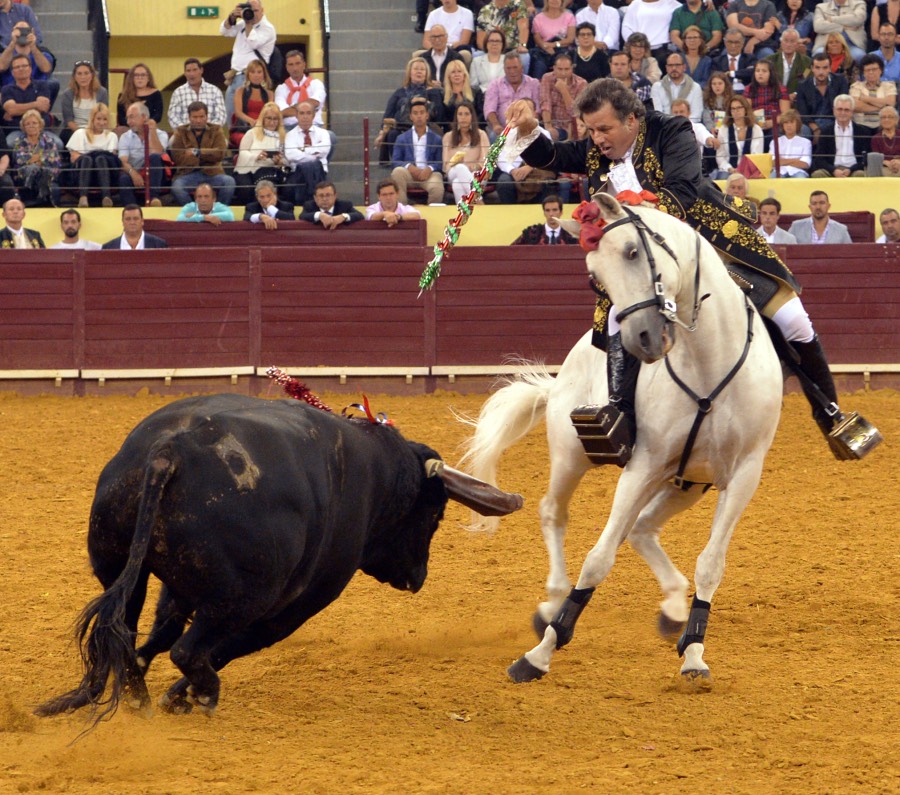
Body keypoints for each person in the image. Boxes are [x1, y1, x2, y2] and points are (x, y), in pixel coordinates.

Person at [505, 78, 858, 461]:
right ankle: (621, 415)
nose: (597, 139)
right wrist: (528, 129)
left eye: (604, 128)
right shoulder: (597, 149)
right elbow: (553, 156)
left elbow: (683, 193)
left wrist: (633, 210)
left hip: (709, 242)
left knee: (793, 320)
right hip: (646, 261)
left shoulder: (672, 131)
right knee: (616, 321)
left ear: (632, 120)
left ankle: (830, 414)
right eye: (591, 130)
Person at [220, 0, 277, 127]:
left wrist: (248, 24)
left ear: (262, 11)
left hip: (251, 79)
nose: (253, 14)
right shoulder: (243, 24)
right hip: (234, 77)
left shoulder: (268, 28)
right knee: (231, 118)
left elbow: (253, 42)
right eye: (250, 10)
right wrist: (232, 17)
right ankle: (235, 143)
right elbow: (224, 31)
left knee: (246, 118)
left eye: (256, 11)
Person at [375, 58, 442, 164]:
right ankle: (398, 165)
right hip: (402, 128)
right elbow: (388, 114)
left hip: (426, 127)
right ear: (409, 72)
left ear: (427, 74)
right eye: (416, 69)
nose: (419, 71)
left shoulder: (433, 92)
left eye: (422, 69)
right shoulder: (400, 92)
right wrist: (381, 133)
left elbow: (440, 115)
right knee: (392, 134)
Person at [169, 101, 236, 206]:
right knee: (177, 187)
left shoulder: (216, 130)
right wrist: (209, 155)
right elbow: (178, 158)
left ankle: (219, 210)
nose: (198, 120)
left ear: (206, 116)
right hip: (188, 174)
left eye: (201, 117)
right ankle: (195, 212)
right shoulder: (180, 132)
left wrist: (197, 152)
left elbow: (220, 153)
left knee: (229, 182)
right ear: (189, 117)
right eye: (195, 117)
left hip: (212, 173)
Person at [390, 95, 444, 204]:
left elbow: (440, 162)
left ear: (427, 115)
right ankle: (403, 211)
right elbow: (395, 161)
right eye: (415, 113)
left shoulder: (437, 138)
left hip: (429, 174)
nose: (419, 116)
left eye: (422, 113)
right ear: (410, 116)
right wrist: (409, 167)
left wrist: (429, 168)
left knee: (437, 187)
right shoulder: (401, 138)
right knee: (397, 172)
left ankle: (433, 216)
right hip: (409, 174)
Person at [233, 101, 288, 205]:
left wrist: (279, 162)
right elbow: (242, 152)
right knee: (246, 187)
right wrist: (256, 156)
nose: (272, 122)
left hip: (270, 170)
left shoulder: (282, 137)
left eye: (275, 119)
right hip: (248, 170)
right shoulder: (252, 133)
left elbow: (286, 158)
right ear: (262, 119)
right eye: (269, 118)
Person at [67, 102, 118, 207]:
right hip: (84, 172)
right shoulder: (80, 133)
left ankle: (106, 197)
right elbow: (74, 157)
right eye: (98, 119)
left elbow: (112, 157)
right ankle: (83, 197)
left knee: (101, 158)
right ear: (92, 119)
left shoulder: (112, 136)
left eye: (105, 119)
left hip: (104, 172)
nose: (101, 122)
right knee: (87, 159)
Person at [117, 101, 167, 208]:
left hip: (155, 173)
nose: (128, 122)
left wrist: (152, 131)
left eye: (131, 117)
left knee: (154, 157)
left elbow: (157, 153)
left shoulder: (161, 134)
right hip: (134, 171)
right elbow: (123, 161)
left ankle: (154, 199)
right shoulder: (125, 137)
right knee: (123, 179)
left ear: (144, 117)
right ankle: (132, 210)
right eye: (127, 118)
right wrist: (133, 173)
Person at [483, 52, 541, 140]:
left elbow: (537, 110)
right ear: (504, 69)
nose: (512, 71)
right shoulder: (495, 85)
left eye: (515, 67)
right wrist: (496, 125)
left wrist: (528, 127)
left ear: (522, 68)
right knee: (493, 136)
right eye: (508, 68)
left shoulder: (533, 84)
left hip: (527, 128)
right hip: (503, 129)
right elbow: (489, 109)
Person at [283, 99, 330, 206]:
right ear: (296, 115)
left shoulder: (324, 133)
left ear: (314, 115)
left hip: (320, 173)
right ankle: (311, 204)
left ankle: (307, 205)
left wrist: (302, 150)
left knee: (314, 166)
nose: (305, 117)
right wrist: (313, 154)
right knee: (310, 166)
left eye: (308, 113)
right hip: (297, 173)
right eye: (302, 113)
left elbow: (324, 150)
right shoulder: (290, 135)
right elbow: (291, 156)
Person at [442, 99, 490, 203]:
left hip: (476, 174)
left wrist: (473, 167)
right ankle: (478, 200)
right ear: (456, 117)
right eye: (460, 114)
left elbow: (486, 162)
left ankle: (464, 214)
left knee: (457, 184)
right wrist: (456, 164)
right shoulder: (448, 137)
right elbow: (445, 166)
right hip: (454, 171)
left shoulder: (481, 135)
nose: (463, 117)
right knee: (460, 168)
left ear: (472, 116)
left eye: (466, 114)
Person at [795, 52, 849, 144]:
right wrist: (816, 129)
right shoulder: (803, 85)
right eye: (817, 68)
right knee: (803, 130)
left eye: (825, 68)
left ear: (830, 68)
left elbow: (843, 105)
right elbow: (803, 113)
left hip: (834, 121)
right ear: (812, 68)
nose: (821, 72)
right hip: (811, 123)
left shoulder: (840, 81)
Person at [1, 52, 53, 145]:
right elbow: (12, 109)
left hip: (40, 130)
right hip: (17, 130)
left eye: (24, 66)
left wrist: (18, 109)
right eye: (17, 67)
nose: (21, 69)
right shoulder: (6, 89)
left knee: (58, 143)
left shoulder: (42, 85)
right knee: (10, 143)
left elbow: (43, 107)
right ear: (12, 72)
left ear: (30, 69)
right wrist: (36, 104)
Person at [810, 95, 868, 177]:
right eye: (839, 109)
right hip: (832, 170)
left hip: (854, 170)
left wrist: (851, 169)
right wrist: (833, 170)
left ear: (852, 112)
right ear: (834, 110)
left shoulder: (861, 131)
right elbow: (820, 158)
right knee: (817, 174)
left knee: (860, 174)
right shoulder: (826, 131)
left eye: (846, 110)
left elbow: (865, 159)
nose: (843, 113)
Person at [12, 107, 59, 205]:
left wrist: (35, 159)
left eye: (34, 123)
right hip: (24, 176)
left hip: (47, 173)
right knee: (33, 169)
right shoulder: (19, 142)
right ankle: (42, 198)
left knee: (44, 173)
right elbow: (20, 162)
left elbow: (54, 162)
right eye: (27, 124)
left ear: (40, 125)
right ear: (24, 127)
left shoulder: (49, 141)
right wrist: (42, 159)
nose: (31, 126)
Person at [58, 60, 108, 146]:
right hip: (75, 130)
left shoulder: (102, 92)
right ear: (74, 77)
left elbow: (103, 116)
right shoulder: (68, 94)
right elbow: (69, 120)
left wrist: (93, 132)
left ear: (92, 75)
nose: (83, 77)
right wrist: (82, 134)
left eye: (86, 73)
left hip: (96, 128)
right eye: (79, 74)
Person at [539, 52, 587, 141]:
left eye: (567, 69)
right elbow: (545, 104)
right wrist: (548, 127)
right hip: (548, 123)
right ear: (554, 68)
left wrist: (564, 91)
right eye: (560, 69)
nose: (563, 73)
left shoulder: (581, 84)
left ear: (572, 68)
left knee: (547, 135)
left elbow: (575, 113)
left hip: (568, 127)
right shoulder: (547, 78)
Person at [167, 58, 227, 130]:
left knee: (224, 141)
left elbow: (221, 115)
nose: (192, 74)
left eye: (195, 70)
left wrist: (208, 130)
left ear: (201, 70)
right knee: (171, 141)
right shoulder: (178, 92)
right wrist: (186, 130)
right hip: (184, 134)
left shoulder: (215, 91)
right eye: (188, 71)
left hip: (211, 133)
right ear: (185, 73)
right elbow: (173, 116)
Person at [622, 0, 682, 70]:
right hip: (639, 48)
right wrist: (635, 45)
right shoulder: (636, 4)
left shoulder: (673, 4)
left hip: (663, 50)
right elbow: (626, 27)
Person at [275, 49, 326, 131]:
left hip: (314, 126)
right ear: (287, 67)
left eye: (298, 63)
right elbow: (283, 112)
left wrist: (293, 108)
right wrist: (308, 108)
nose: (295, 68)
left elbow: (315, 102)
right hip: (289, 128)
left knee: (331, 137)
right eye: (291, 65)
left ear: (304, 65)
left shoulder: (316, 84)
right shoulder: (281, 88)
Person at [476, 0, 531, 75]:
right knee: (476, 56)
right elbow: (480, 39)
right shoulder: (485, 10)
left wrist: (522, 45)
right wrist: (491, 51)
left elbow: (524, 28)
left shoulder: (518, 5)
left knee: (524, 57)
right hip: (490, 50)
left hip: (512, 50)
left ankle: (521, 84)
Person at [0, 19, 55, 93]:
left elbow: (46, 69)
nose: (22, 33)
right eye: (18, 30)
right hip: (9, 92)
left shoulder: (43, 53)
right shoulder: (5, 54)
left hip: (37, 91)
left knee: (53, 83)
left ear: (32, 32)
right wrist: (13, 43)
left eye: (26, 30)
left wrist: (33, 46)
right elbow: (1, 66)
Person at [849, 55, 896, 140]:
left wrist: (867, 99)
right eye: (867, 70)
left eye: (874, 69)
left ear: (881, 70)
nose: (871, 72)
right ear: (863, 72)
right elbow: (855, 105)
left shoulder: (889, 86)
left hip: (882, 124)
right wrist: (881, 108)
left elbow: (891, 103)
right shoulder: (856, 86)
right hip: (861, 125)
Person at [744, 60, 790, 146]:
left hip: (775, 123)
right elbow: (746, 111)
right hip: (755, 124)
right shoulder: (748, 89)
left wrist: (772, 122)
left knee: (773, 135)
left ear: (771, 73)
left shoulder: (781, 89)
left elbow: (786, 114)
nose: (760, 74)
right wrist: (754, 121)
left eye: (764, 71)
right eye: (757, 71)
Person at [229, 57, 272, 148]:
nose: (256, 75)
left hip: (264, 128)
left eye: (259, 72)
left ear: (264, 74)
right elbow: (238, 113)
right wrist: (252, 121)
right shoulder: (240, 91)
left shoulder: (270, 94)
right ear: (248, 74)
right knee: (246, 140)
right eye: (253, 72)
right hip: (243, 129)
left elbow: (271, 114)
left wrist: (259, 123)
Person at [529, 0, 577, 80]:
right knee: (539, 66)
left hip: (563, 49)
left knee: (563, 65)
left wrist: (554, 44)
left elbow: (570, 39)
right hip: (544, 50)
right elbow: (537, 39)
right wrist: (545, 47)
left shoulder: (569, 17)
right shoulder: (538, 17)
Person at [650, 51, 702, 121]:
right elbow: (657, 114)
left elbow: (696, 115)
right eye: (670, 65)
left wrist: (681, 126)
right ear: (666, 68)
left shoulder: (695, 87)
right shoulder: (657, 87)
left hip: (688, 127)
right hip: (665, 127)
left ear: (684, 67)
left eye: (677, 65)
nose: (674, 68)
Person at [787, 190, 852, 243]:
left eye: (822, 203)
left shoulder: (841, 229)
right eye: (814, 203)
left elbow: (849, 253)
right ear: (810, 207)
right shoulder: (796, 227)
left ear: (828, 206)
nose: (818, 207)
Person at [511, 193, 577, 244]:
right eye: (547, 210)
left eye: (554, 210)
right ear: (544, 213)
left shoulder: (571, 234)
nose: (551, 214)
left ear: (561, 212)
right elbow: (511, 251)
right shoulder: (530, 233)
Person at [765, 28, 812, 100]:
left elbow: (807, 81)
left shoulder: (807, 63)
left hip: (797, 100)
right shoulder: (770, 60)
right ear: (781, 43)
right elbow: (766, 82)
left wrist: (795, 94)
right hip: (774, 98)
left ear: (797, 44)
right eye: (786, 41)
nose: (788, 45)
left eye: (792, 41)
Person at [439, 59, 484, 131]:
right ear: (448, 76)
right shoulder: (442, 94)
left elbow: (481, 114)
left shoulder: (476, 91)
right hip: (451, 131)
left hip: (474, 129)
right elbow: (443, 117)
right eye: (453, 72)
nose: (456, 74)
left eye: (459, 71)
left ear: (464, 74)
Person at [114, 63, 162, 130]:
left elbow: (158, 115)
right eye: (136, 75)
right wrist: (134, 124)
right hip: (128, 129)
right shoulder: (123, 95)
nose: (140, 78)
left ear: (148, 78)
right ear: (131, 78)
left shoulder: (156, 94)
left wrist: (145, 124)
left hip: (149, 128)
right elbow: (121, 118)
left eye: (143, 75)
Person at [299, 179, 363, 228]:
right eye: (321, 196)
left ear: (335, 196)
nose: (324, 199)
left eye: (328, 195)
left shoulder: (344, 205)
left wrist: (343, 217)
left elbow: (360, 215)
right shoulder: (309, 206)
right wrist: (320, 215)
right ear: (315, 198)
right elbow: (302, 216)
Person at [101, 203, 168, 249]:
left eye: (135, 219)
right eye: (128, 219)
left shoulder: (159, 245)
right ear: (123, 222)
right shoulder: (108, 247)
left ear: (142, 221)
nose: (132, 222)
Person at [769, 108, 811, 177]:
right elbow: (772, 162)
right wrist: (795, 160)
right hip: (779, 171)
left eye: (791, 122)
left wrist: (782, 161)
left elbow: (805, 164)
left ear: (797, 124)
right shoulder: (774, 142)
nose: (789, 125)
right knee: (772, 179)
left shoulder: (806, 142)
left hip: (797, 171)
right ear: (782, 125)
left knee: (801, 179)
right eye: (786, 122)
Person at [867, 106, 900, 176]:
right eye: (883, 117)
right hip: (883, 167)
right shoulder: (875, 138)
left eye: (890, 117)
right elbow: (875, 157)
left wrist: (898, 162)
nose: (886, 120)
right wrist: (886, 162)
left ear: (897, 120)